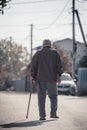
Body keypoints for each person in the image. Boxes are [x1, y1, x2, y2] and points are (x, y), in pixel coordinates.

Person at [30, 39, 63, 120]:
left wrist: (33, 77)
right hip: (52, 79)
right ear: (50, 44)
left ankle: (42, 116)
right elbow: (59, 65)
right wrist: (59, 76)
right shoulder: (55, 53)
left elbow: (33, 66)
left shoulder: (38, 53)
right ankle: (53, 114)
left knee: (41, 98)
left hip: (40, 79)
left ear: (43, 45)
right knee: (53, 97)